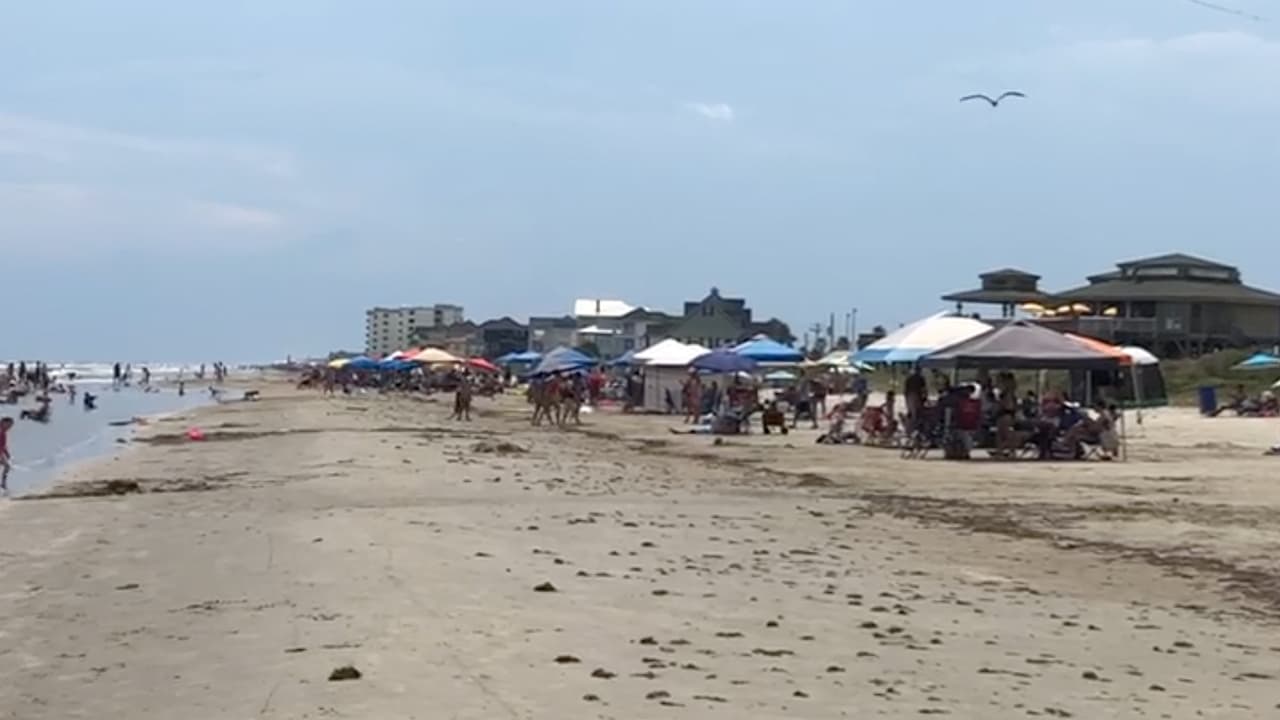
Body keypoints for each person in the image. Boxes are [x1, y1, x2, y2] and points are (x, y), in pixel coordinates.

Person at [0, 416, 13, 495]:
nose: (9, 427)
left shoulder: (3, 432)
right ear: (4, 422)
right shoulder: (1, 431)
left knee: (7, 467)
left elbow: (3, 445)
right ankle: (3, 485)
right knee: (7, 466)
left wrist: (7, 453)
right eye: (9, 425)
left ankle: (3, 484)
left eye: (11, 426)